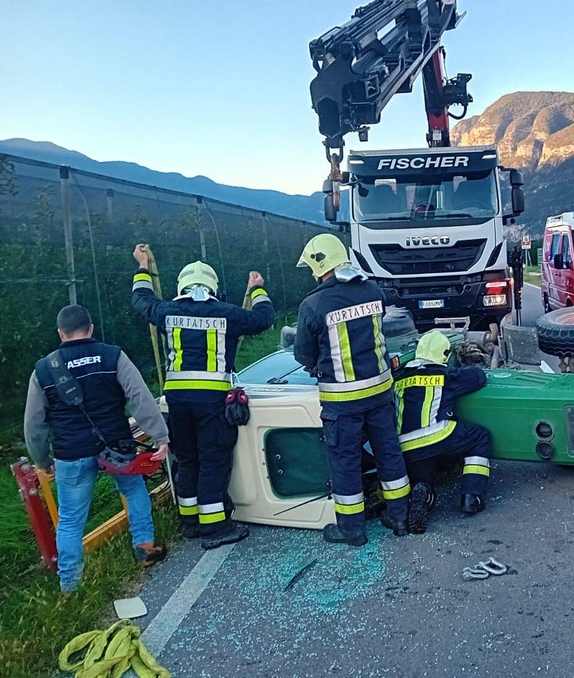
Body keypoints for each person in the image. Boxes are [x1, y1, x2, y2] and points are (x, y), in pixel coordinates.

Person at [131, 245, 275, 549]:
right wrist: (258, 290)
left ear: (181, 286)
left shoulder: (167, 312)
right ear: (214, 288)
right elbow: (263, 319)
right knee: (213, 460)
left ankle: (191, 522)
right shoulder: (228, 314)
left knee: (187, 459)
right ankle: (215, 529)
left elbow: (141, 300)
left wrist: (143, 267)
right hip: (212, 401)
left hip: (177, 402)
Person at [23, 305, 170, 592]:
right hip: (116, 446)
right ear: (90, 328)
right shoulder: (113, 355)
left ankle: (70, 585)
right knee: (133, 489)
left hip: (70, 452)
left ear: (60, 333)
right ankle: (144, 546)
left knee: (70, 520)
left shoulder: (43, 369)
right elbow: (139, 397)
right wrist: (159, 435)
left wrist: (42, 459)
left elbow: (33, 423)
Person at [293, 233, 410, 546]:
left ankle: (352, 529)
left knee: (344, 462)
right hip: (381, 393)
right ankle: (399, 516)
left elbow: (303, 354)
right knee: (388, 452)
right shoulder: (372, 290)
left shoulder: (313, 304)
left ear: (320, 266)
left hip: (342, 402)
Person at [394, 329, 492, 534]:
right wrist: (466, 365)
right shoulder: (444, 375)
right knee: (479, 436)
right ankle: (471, 497)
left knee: (424, 475)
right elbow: (478, 378)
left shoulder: (401, 378)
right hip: (436, 435)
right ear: (445, 355)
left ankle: (424, 493)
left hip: (406, 445)